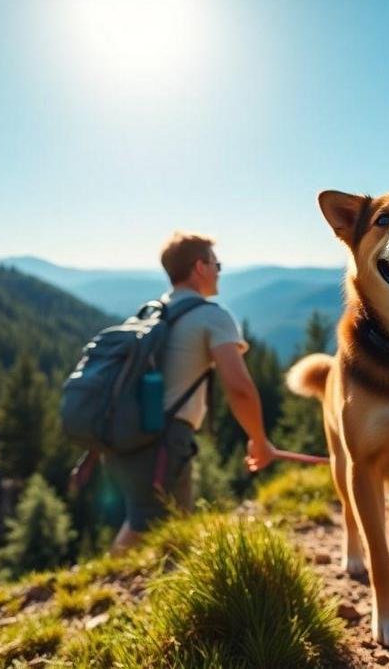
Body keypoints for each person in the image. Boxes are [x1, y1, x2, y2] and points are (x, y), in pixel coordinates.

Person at [104, 231, 278, 555]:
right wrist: (259, 439)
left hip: (128, 433)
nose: (219, 271)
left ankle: (110, 588)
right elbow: (239, 388)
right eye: (216, 263)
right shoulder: (212, 315)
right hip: (167, 439)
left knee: (143, 519)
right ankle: (116, 593)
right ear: (200, 267)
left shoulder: (151, 313)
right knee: (168, 531)